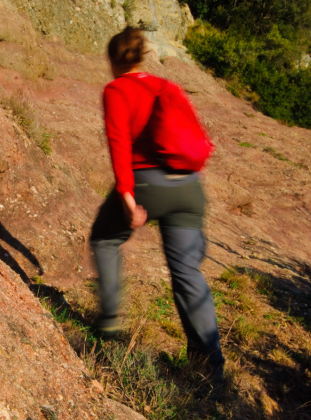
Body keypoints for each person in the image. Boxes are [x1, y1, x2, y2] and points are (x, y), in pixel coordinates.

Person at [90, 26, 225, 382]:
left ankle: (108, 324)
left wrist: (128, 197)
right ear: (144, 55)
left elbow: (119, 141)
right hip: (188, 188)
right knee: (186, 274)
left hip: (148, 184)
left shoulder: (117, 89)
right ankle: (210, 366)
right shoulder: (165, 86)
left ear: (112, 59)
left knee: (105, 239)